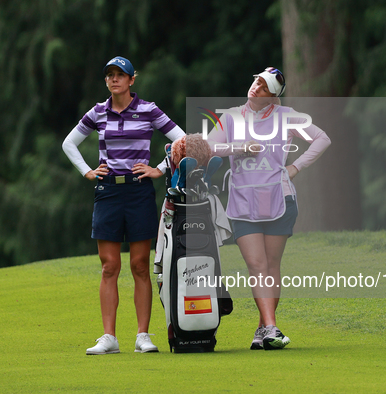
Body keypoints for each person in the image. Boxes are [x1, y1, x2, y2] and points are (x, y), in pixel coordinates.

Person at [62, 56, 185, 355]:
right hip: (107, 191)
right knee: (109, 266)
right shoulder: (98, 112)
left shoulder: (148, 109)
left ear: (132, 80)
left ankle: (143, 335)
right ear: (106, 81)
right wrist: (87, 171)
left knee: (140, 265)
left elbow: (181, 138)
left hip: (139, 191)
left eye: (121, 75)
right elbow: (69, 143)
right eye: (110, 75)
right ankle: (109, 337)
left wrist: (159, 168)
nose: (115, 79)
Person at [207, 67, 331, 350]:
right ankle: (272, 328)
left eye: (264, 86)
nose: (256, 88)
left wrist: (295, 167)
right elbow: (209, 147)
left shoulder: (286, 117)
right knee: (257, 264)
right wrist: (238, 148)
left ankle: (264, 328)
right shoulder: (232, 116)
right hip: (242, 201)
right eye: (256, 81)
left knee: (272, 267)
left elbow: (322, 138)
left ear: (273, 97)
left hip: (279, 199)